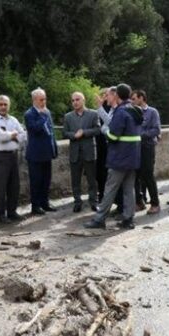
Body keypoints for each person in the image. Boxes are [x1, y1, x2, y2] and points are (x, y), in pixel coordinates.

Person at [84, 83, 142, 230]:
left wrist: (104, 129)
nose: (108, 97)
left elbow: (113, 136)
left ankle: (99, 219)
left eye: (109, 95)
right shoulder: (135, 109)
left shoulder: (121, 112)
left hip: (119, 158)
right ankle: (128, 219)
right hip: (133, 158)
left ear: (116, 95)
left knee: (110, 189)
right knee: (129, 190)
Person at [0, 95, 27, 224]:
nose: (3, 107)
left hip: (13, 155)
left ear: (9, 106)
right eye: (1, 104)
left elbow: (23, 136)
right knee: (0, 187)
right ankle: (0, 215)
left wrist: (10, 135)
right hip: (0, 156)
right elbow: (0, 137)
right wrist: (13, 134)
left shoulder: (13, 120)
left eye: (5, 104)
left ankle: (12, 212)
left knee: (14, 186)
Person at [63, 92, 101, 212]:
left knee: (92, 179)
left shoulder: (93, 114)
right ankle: (77, 202)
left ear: (83, 100)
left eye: (77, 99)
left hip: (89, 151)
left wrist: (84, 132)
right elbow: (65, 133)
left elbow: (98, 129)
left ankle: (93, 202)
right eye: (73, 100)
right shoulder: (68, 116)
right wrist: (74, 135)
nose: (75, 102)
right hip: (75, 152)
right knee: (75, 180)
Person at [24, 88, 58, 215]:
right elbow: (35, 129)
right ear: (34, 100)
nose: (44, 102)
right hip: (35, 154)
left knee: (46, 180)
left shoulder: (47, 112)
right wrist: (43, 116)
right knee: (36, 181)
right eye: (41, 99)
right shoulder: (29, 114)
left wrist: (54, 148)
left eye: (45, 99)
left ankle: (45, 203)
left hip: (47, 153)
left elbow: (51, 132)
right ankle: (35, 206)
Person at [131, 90, 161, 214]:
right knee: (134, 176)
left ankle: (155, 203)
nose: (132, 101)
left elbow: (156, 130)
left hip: (147, 147)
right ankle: (139, 202)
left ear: (141, 98)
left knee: (148, 175)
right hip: (134, 148)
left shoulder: (152, 112)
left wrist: (141, 135)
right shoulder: (131, 112)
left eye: (134, 98)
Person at [95, 87, 114, 202]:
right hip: (100, 145)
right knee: (100, 172)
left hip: (110, 144)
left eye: (107, 95)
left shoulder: (112, 109)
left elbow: (109, 123)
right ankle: (102, 194)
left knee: (110, 172)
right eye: (103, 95)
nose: (105, 98)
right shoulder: (99, 110)